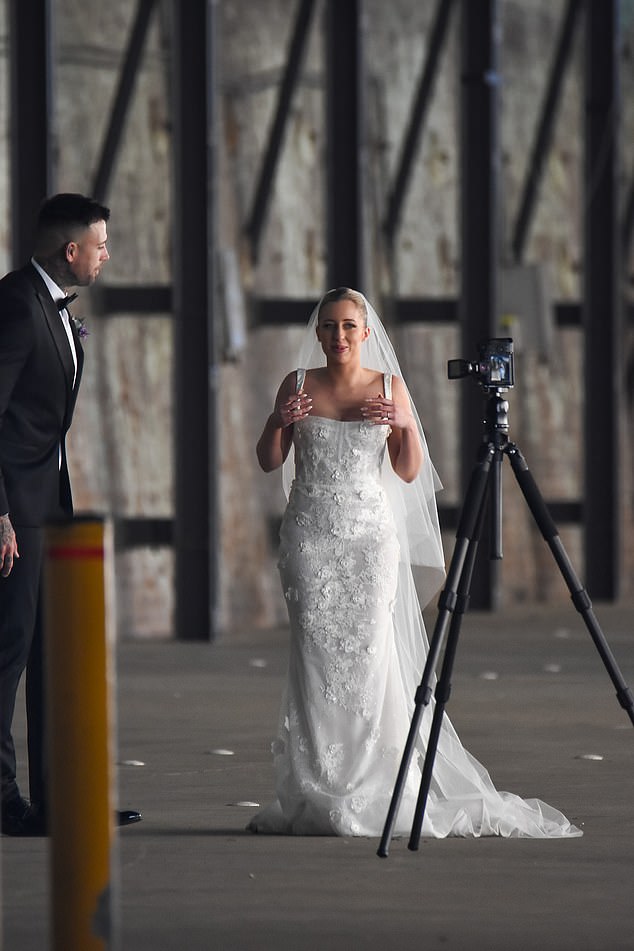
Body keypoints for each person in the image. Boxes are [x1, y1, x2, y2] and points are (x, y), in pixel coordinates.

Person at [248, 287, 581, 838]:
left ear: (366, 331)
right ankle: (317, 786)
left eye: (349, 326)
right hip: (310, 539)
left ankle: (375, 782)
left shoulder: (390, 386)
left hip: (369, 541)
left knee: (371, 655)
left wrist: (402, 424)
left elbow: (407, 472)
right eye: (329, 326)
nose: (338, 337)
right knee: (314, 657)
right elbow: (268, 461)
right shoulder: (298, 385)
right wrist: (277, 419)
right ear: (317, 332)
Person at [0, 193, 141, 835]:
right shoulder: (14, 305)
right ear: (71, 249)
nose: (107, 255)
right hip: (16, 515)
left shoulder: (51, 306)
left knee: (56, 657)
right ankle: (4, 802)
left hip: (52, 509)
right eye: (102, 244)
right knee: (9, 654)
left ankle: (64, 801)